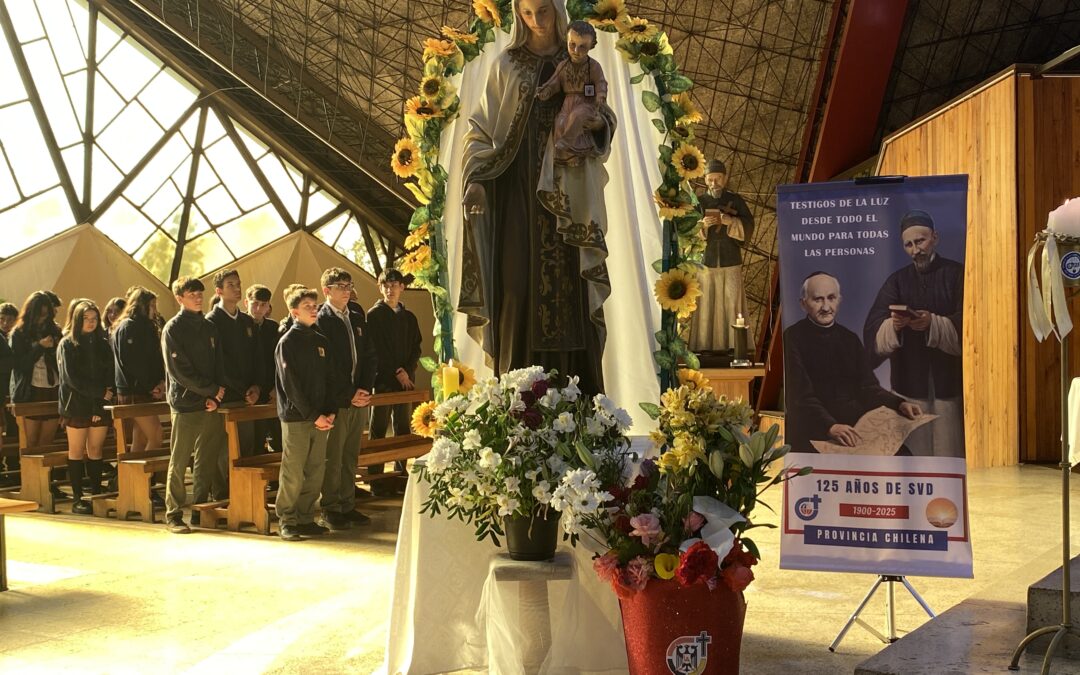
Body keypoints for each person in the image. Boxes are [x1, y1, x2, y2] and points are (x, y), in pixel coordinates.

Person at [460, 0, 615, 394]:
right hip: (518, 198)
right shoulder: (507, 65)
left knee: (571, 294)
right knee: (516, 291)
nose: (537, 21)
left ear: (557, 8)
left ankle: (580, 414)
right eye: (527, 14)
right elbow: (479, 129)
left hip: (569, 198)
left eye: (543, 10)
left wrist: (598, 123)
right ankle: (520, 404)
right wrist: (476, 178)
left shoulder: (582, 60)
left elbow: (603, 111)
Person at [863, 210, 965, 458]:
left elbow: (972, 319)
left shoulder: (957, 273)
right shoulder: (897, 281)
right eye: (908, 245)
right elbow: (873, 326)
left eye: (920, 241)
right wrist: (894, 326)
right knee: (914, 453)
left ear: (935, 238)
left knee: (948, 449)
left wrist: (935, 324)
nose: (915, 250)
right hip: (909, 384)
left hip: (948, 383)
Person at [784, 272, 922, 453]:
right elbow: (800, 397)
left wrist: (899, 403)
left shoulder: (849, 338)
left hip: (854, 426)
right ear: (803, 304)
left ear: (839, 300)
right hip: (814, 427)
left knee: (903, 455)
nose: (826, 307)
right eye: (818, 299)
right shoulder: (792, 337)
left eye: (831, 298)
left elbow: (868, 388)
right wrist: (830, 427)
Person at [161, 277, 226, 534]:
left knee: (207, 458)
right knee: (179, 460)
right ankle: (174, 513)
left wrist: (217, 394)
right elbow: (180, 371)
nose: (198, 297)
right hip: (185, 403)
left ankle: (199, 509)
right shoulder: (173, 329)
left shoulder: (209, 327)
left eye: (200, 293)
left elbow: (218, 363)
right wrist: (209, 391)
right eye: (192, 294)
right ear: (179, 298)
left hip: (210, 402)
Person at [316, 267, 377, 530]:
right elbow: (327, 366)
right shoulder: (321, 319)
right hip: (336, 400)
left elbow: (369, 355)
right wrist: (348, 393)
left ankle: (347, 503)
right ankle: (331, 507)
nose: (347, 290)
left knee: (350, 454)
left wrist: (364, 388)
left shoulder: (356, 315)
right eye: (340, 286)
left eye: (349, 285)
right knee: (334, 455)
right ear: (326, 290)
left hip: (358, 397)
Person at [274, 286, 336, 541]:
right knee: (294, 470)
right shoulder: (287, 342)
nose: (314, 310)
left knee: (315, 470)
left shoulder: (321, 340)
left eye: (315, 305)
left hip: (321, 417)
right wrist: (313, 415)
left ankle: (306, 517)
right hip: (298, 417)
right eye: (308, 307)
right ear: (294, 312)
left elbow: (330, 378)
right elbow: (292, 386)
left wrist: (330, 411)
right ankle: (287, 519)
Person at [366, 268, 422, 496]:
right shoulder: (374, 315)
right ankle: (376, 478)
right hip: (383, 380)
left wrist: (407, 371)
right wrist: (396, 371)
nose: (390, 290)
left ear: (402, 287)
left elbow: (416, 347)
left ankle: (400, 474)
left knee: (402, 427)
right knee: (378, 427)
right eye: (386, 286)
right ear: (380, 288)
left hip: (406, 381)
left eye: (395, 285)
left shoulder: (409, 317)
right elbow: (375, 348)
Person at [690, 159, 755, 354]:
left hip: (730, 260)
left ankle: (734, 347)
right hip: (706, 262)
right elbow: (687, 232)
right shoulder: (699, 203)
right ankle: (704, 346)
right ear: (705, 180)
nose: (714, 183)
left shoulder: (735, 200)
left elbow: (749, 226)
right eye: (710, 179)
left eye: (718, 179)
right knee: (707, 302)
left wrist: (731, 221)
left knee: (731, 302)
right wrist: (703, 226)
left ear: (725, 179)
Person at [207, 269, 262, 499]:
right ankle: (221, 495)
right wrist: (237, 388)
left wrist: (257, 386)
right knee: (223, 450)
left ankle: (243, 493)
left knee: (246, 447)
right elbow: (214, 363)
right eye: (231, 285)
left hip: (247, 397)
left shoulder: (247, 321)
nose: (237, 288)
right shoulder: (211, 322)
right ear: (219, 291)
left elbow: (257, 358)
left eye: (239, 284)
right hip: (223, 397)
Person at [57, 300, 114, 514]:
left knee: (96, 449)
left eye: (94, 319)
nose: (90, 323)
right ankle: (78, 498)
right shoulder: (67, 344)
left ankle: (97, 494)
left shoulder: (103, 343)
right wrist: (98, 394)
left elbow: (110, 374)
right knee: (77, 450)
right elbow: (72, 379)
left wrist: (100, 404)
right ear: (77, 319)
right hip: (76, 405)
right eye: (86, 319)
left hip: (99, 405)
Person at [536, 20, 608, 166]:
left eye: (583, 47)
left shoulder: (594, 66)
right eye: (572, 45)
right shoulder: (563, 66)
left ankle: (566, 143)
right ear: (567, 41)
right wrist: (546, 91)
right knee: (561, 121)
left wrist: (601, 95)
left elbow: (601, 82)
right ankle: (564, 157)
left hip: (586, 103)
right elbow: (554, 82)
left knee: (577, 116)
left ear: (591, 46)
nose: (576, 51)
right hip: (568, 103)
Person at [112, 287, 166, 452]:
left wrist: (160, 382)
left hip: (145, 390)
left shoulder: (147, 327)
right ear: (142, 306)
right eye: (152, 306)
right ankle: (146, 477)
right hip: (134, 391)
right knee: (157, 435)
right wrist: (151, 384)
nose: (155, 310)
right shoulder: (129, 327)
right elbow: (131, 362)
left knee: (141, 439)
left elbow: (155, 359)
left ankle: (134, 478)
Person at [9, 291, 64, 450]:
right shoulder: (19, 334)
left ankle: (46, 475)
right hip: (30, 391)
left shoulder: (54, 330)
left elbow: (60, 364)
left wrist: (54, 348)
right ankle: (31, 475)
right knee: (30, 442)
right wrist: (39, 347)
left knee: (47, 442)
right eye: (39, 315)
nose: (42, 319)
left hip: (53, 388)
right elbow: (20, 366)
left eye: (46, 315)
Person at [245, 284, 281, 454]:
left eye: (263, 304)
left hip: (272, 389)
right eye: (255, 303)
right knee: (255, 441)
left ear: (269, 306)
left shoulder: (274, 328)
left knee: (278, 437)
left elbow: (279, 361)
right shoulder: (240, 325)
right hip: (249, 391)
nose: (258, 308)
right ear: (246, 303)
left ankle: (276, 481)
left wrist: (276, 388)